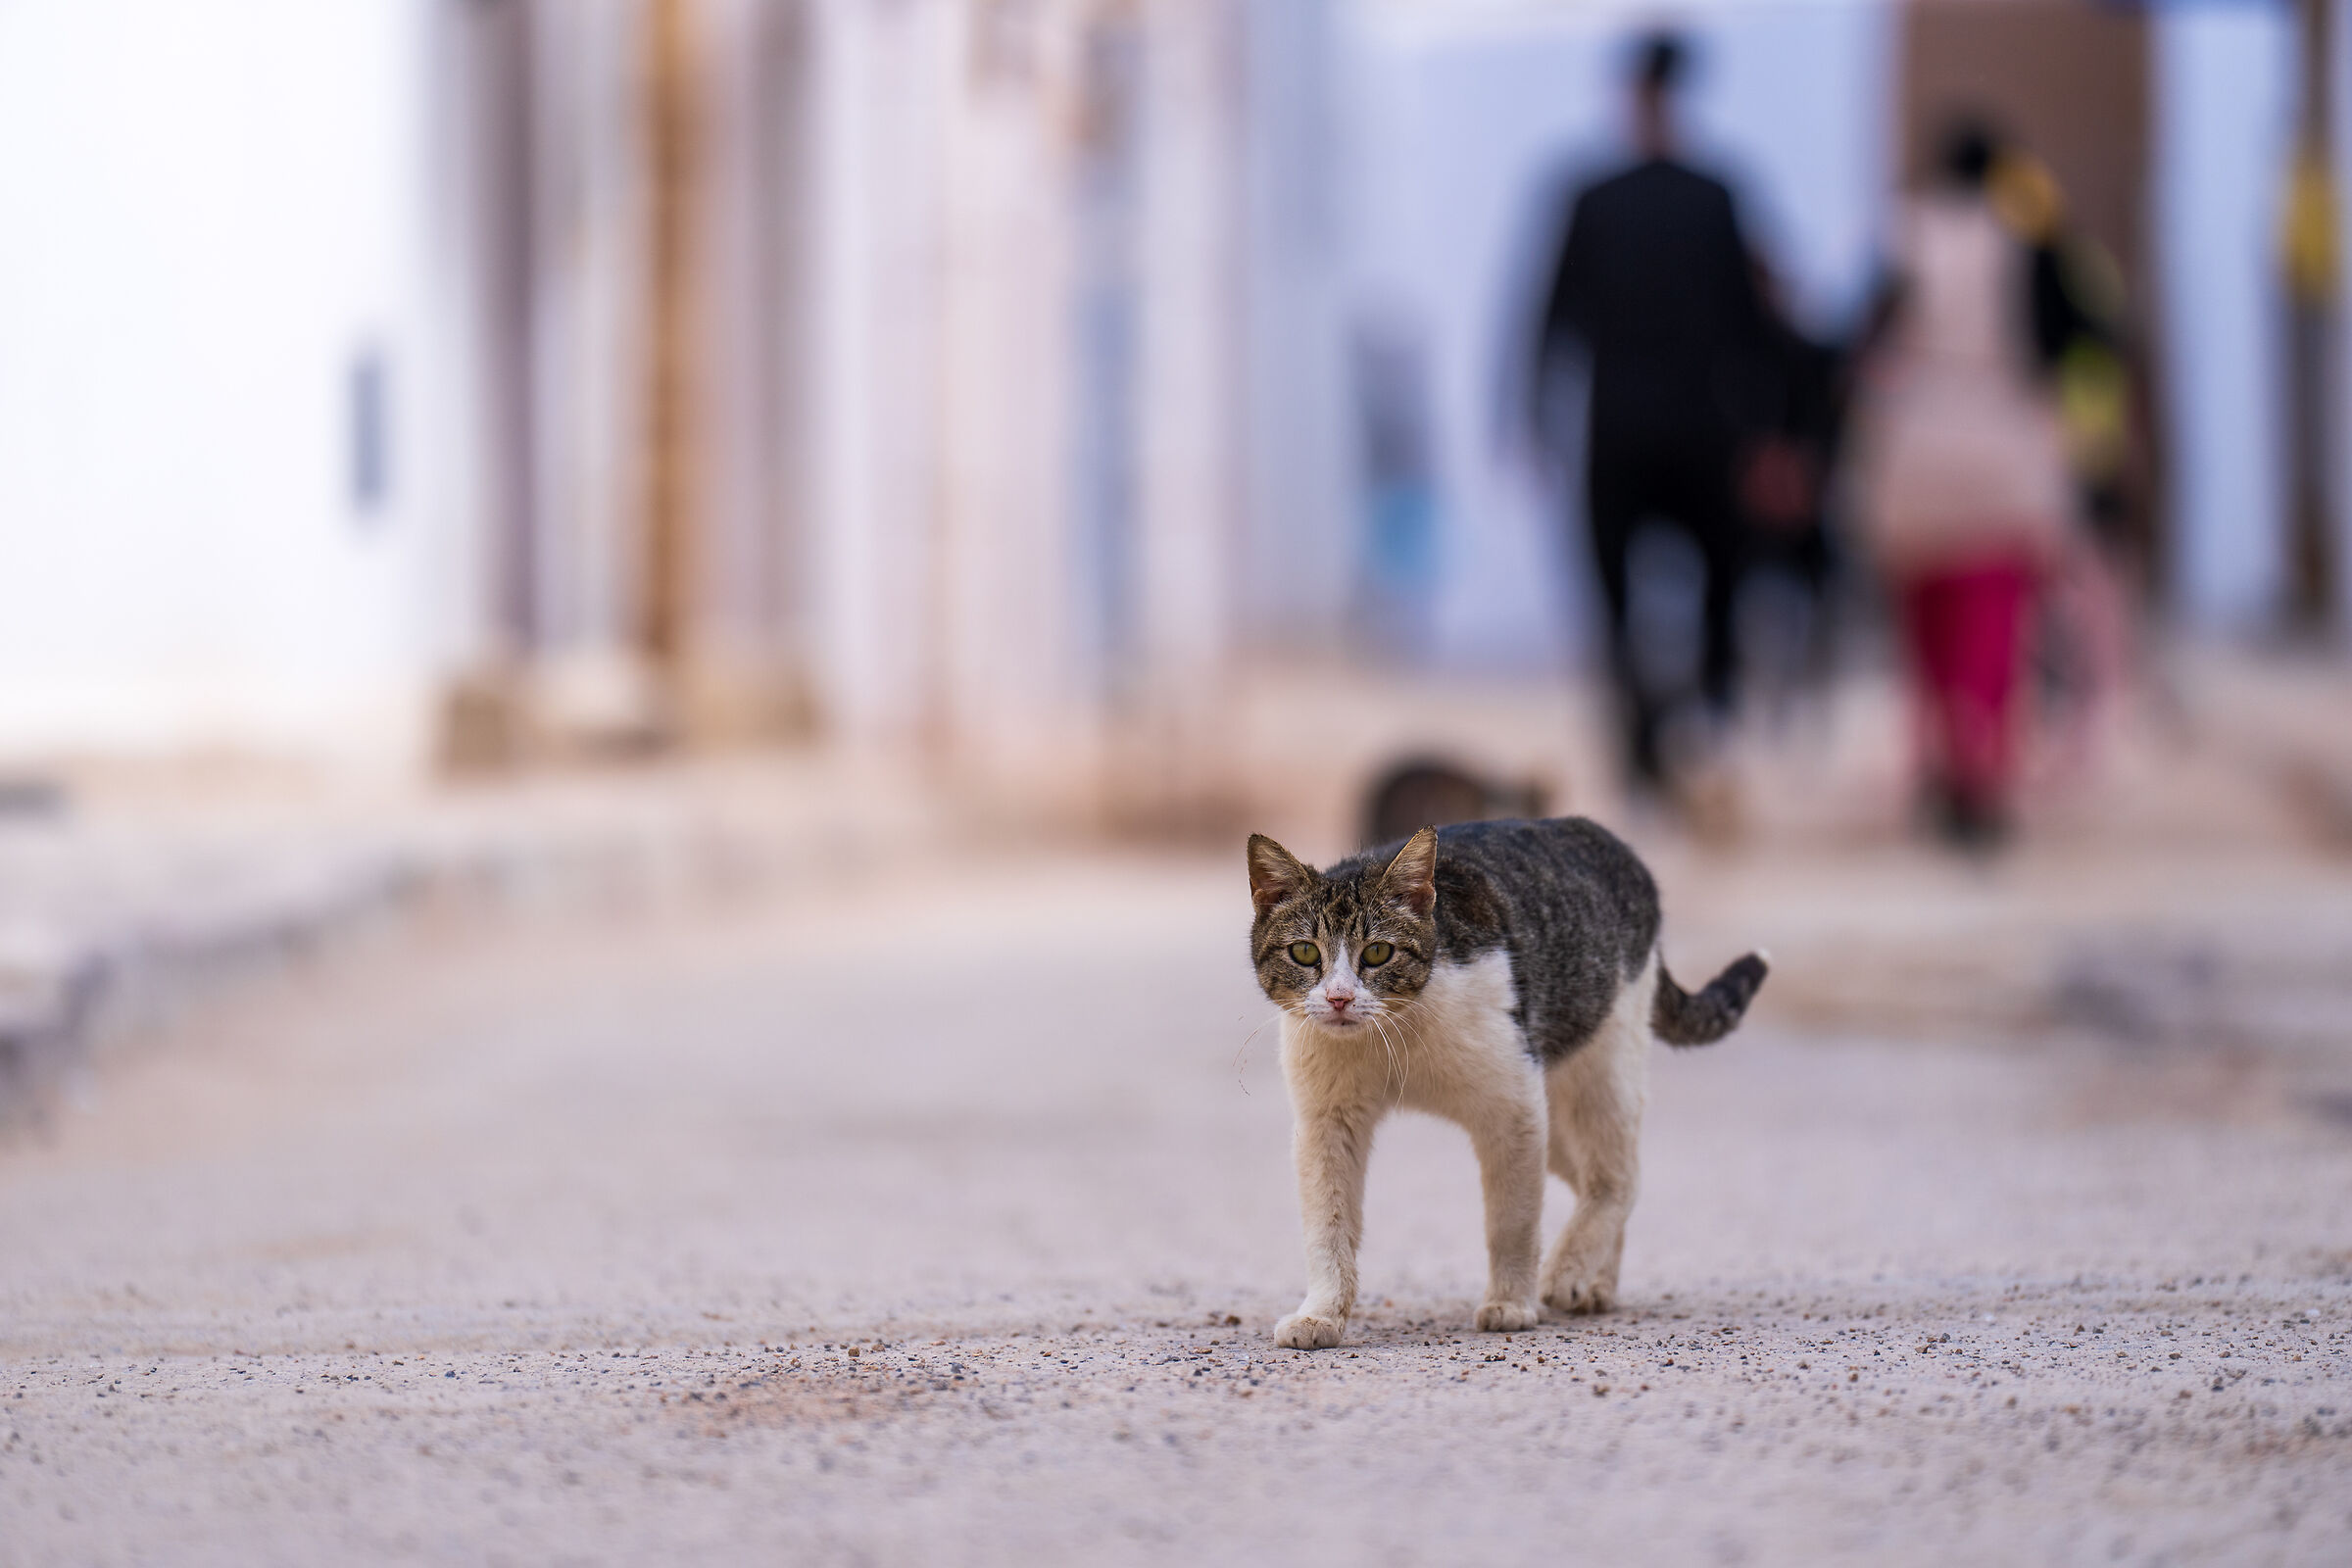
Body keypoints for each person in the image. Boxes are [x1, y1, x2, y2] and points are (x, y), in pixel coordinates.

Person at [1532, 31, 1771, 800]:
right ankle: (1704, 722)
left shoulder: (1595, 199)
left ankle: (1645, 745)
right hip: (1705, 427)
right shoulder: (1717, 195)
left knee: (1618, 597)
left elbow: (1551, 318)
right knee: (1718, 586)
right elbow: (1753, 323)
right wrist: (1773, 428)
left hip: (1624, 430)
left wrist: (1534, 413)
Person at [1852, 120, 2076, 849]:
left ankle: (1941, 764)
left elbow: (1863, 339)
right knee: (1995, 629)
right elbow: (2068, 343)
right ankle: (1986, 774)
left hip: (1916, 448)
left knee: (1931, 631)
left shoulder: (1903, 239)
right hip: (2001, 451)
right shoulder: (2025, 244)